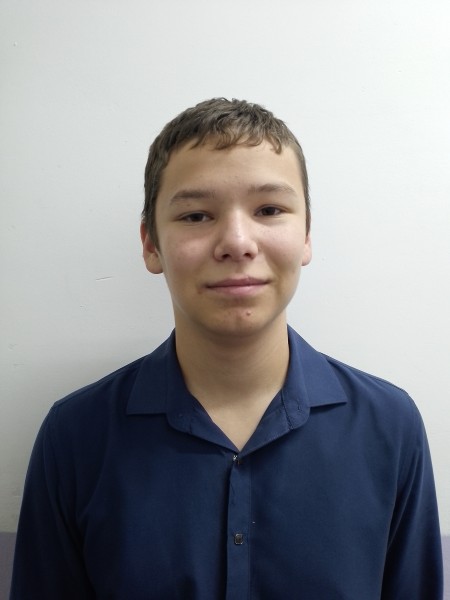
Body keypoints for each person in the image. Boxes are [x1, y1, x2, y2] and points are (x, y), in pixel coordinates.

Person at [11, 98, 443, 599]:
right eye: (196, 215)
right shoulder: (75, 436)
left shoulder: (389, 425)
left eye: (269, 210)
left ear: (306, 234)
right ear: (151, 244)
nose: (237, 242)